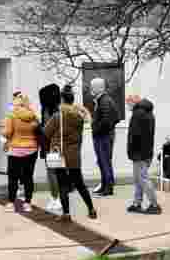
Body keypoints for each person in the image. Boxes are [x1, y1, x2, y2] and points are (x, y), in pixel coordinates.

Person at [45, 85, 97, 222]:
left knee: (62, 184)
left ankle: (66, 214)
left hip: (59, 154)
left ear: (62, 99)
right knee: (79, 183)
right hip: (74, 155)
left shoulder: (57, 116)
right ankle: (91, 209)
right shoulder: (79, 117)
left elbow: (46, 133)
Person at [3, 94, 40, 212]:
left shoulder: (12, 115)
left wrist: (4, 132)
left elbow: (7, 133)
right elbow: (38, 130)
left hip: (15, 150)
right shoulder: (33, 115)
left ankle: (11, 203)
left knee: (13, 178)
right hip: (32, 149)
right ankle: (27, 204)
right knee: (28, 177)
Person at [127, 95, 162, 215]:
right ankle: (137, 203)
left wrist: (131, 151)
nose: (127, 106)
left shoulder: (137, 114)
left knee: (142, 178)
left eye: (128, 103)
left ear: (134, 103)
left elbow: (134, 135)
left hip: (139, 153)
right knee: (138, 179)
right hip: (146, 151)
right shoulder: (149, 112)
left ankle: (154, 204)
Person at [90, 77, 120, 196]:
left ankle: (108, 188)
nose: (91, 89)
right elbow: (114, 118)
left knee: (104, 161)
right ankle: (105, 186)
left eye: (92, 87)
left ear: (99, 88)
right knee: (103, 162)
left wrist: (96, 128)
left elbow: (109, 120)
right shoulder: (103, 100)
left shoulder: (104, 100)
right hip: (103, 135)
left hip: (103, 136)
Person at [39, 84, 63, 213]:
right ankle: (57, 198)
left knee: (52, 172)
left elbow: (46, 130)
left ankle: (56, 198)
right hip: (57, 145)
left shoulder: (48, 111)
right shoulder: (59, 109)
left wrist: (38, 128)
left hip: (50, 145)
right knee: (56, 172)